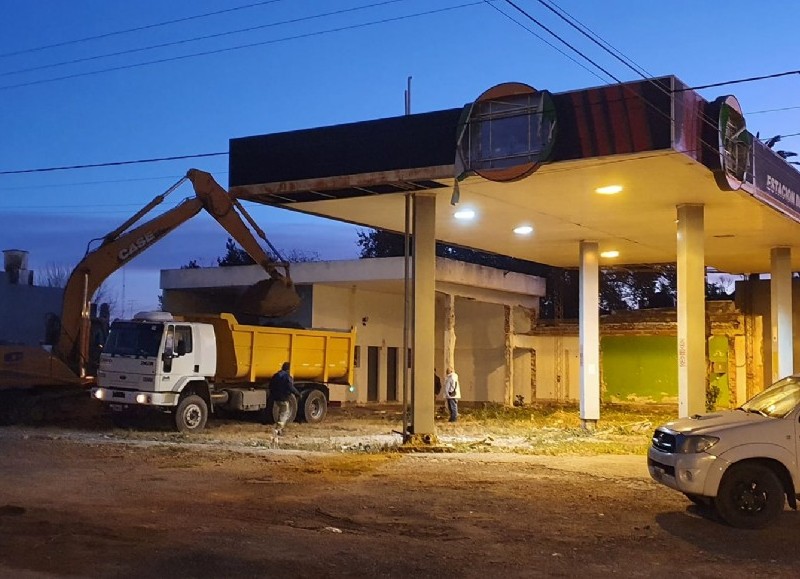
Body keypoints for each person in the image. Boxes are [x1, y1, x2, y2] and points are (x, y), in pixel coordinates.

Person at [270, 361, 300, 435]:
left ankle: (279, 429)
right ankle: (278, 429)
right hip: (284, 398)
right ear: (288, 369)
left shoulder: (276, 375)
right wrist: (297, 393)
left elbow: (270, 386)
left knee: (280, 413)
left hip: (276, 398)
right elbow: (290, 387)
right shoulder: (287, 377)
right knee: (284, 413)